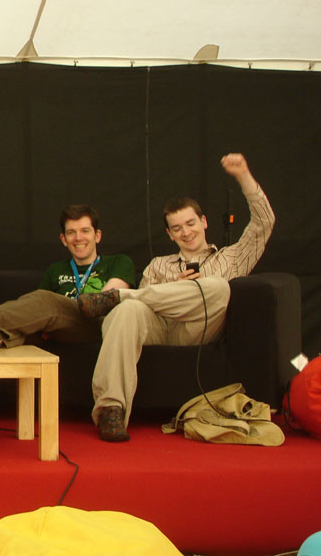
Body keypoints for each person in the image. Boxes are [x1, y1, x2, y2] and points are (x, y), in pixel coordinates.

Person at [76, 153, 274, 442]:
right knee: (127, 310)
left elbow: (264, 223)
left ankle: (118, 296)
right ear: (170, 234)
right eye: (177, 228)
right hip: (161, 328)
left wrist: (243, 175)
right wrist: (175, 288)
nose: (186, 232)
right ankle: (111, 409)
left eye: (191, 223)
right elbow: (144, 311)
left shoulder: (230, 258)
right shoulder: (158, 265)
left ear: (204, 222)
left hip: (199, 328)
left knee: (217, 287)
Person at [0, 205, 136, 349]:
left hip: (95, 323)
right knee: (27, 327)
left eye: (85, 231)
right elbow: (34, 309)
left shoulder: (119, 262)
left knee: (47, 302)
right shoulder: (56, 270)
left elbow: (103, 301)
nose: (78, 238)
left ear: (97, 236)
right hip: (59, 329)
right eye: (71, 233)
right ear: (63, 239)